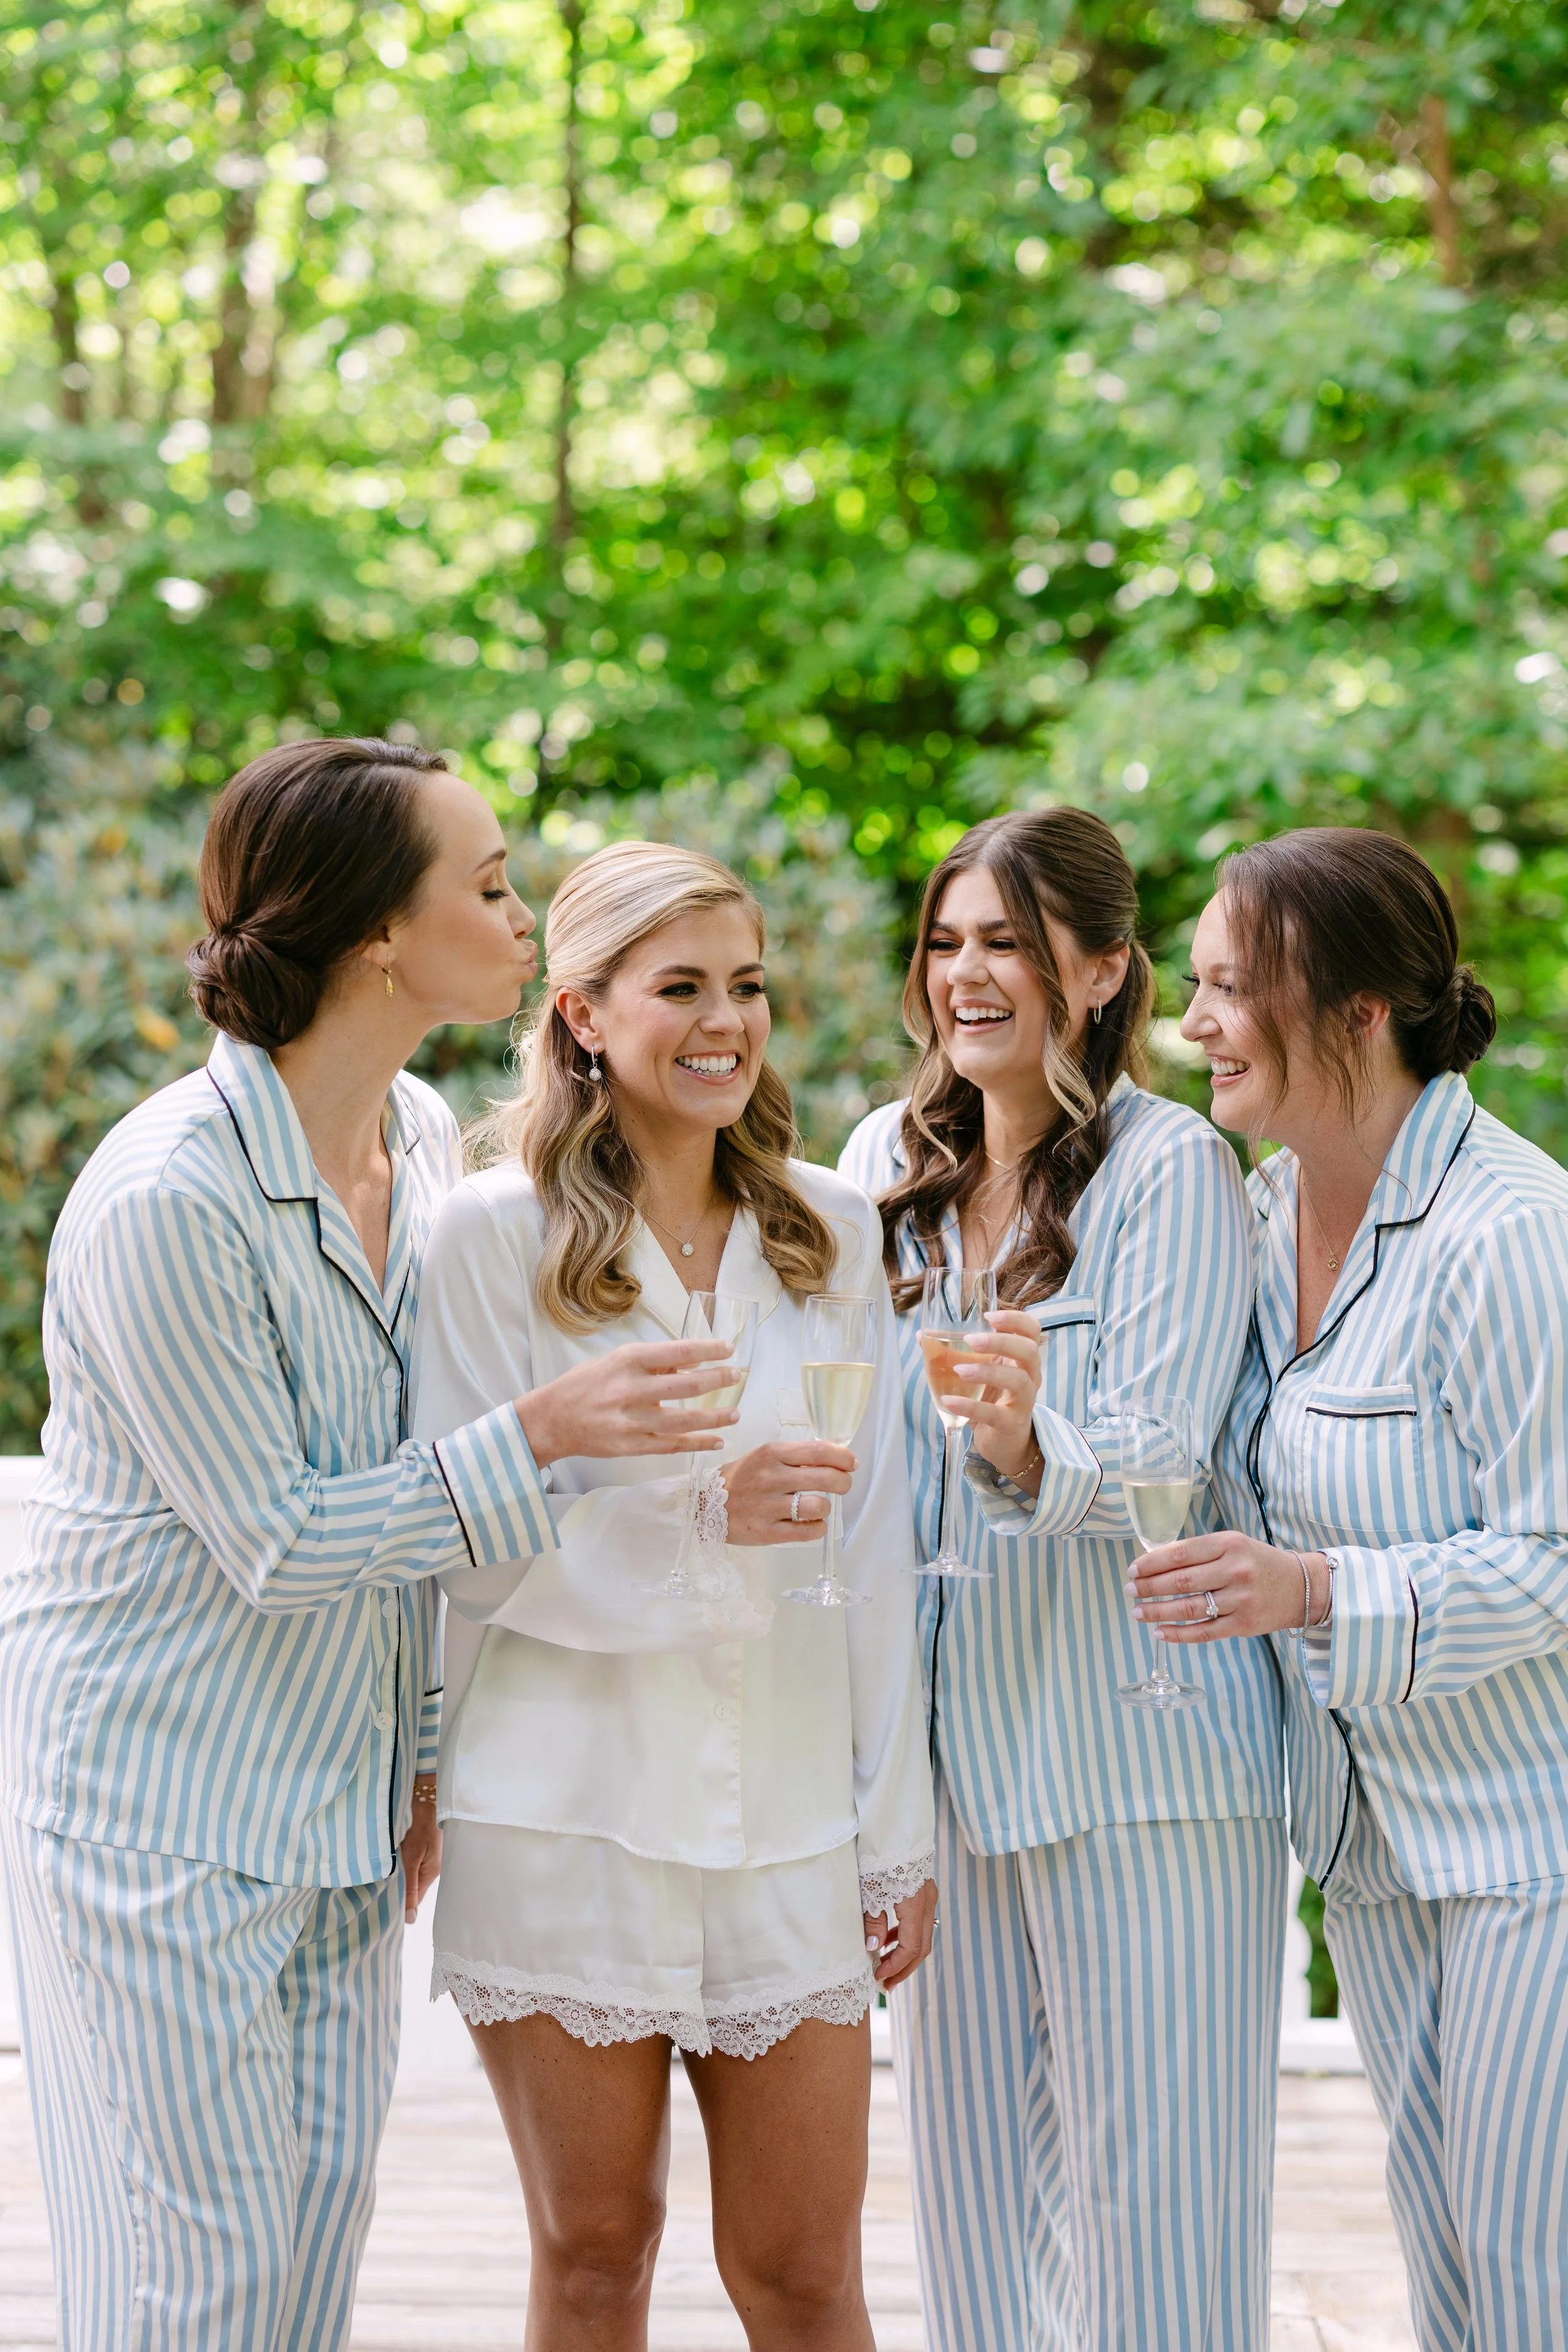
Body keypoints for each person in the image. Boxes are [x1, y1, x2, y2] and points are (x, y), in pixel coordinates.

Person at [0, 739, 737, 2352]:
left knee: (298, 2283)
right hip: (157, 1826)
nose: (524, 913)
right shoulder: (168, 1202)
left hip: (336, 1821)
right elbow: (278, 1534)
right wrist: (548, 1434)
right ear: (375, 939)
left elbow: (399, 1491)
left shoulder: (411, 1132)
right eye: (486, 886)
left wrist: (413, 1756)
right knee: (187, 2297)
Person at [409, 838, 935, 2352]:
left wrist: (894, 1835)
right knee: (593, 2256)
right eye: (681, 988)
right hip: (564, 1814)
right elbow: (466, 1543)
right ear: (581, 1012)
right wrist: (695, 1517)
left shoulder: (831, 1228)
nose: (727, 1022)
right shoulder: (488, 1235)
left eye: (748, 987)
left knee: (804, 2276)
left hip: (787, 1825)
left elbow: (878, 1545)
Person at [839, 808, 1286, 2352]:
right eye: (946, 942)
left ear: (1097, 973)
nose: (968, 976)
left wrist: (1030, 1444)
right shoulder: (874, 1170)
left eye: (1008, 945)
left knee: (1156, 2233)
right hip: (948, 1784)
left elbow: (1156, 1440)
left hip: (1141, 1767)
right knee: (966, 2227)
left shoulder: (1172, 1171)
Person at [1128, 827, 1568, 2352]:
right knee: (1452, 2260)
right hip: (1373, 1845)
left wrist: (1311, 1590)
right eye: (1192, 983)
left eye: (1229, 986)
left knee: (1530, 2271)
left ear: (1359, 1013)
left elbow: (1554, 1561)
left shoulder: (1510, 1238)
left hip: (1531, 1847)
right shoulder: (1255, 1223)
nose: (1192, 1023)